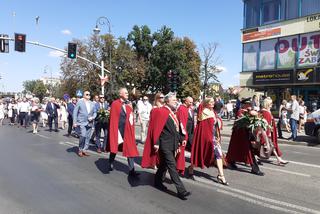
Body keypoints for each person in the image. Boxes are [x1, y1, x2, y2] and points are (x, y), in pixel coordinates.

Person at [142, 93, 191, 200]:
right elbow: (156, 129)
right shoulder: (161, 111)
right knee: (172, 166)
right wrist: (156, 143)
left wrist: (181, 140)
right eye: (174, 100)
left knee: (163, 166)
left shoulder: (172, 113)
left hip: (172, 144)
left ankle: (157, 182)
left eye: (176, 100)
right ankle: (181, 191)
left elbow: (177, 129)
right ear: (167, 101)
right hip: (165, 145)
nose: (176, 101)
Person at [187, 97, 228, 185]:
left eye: (213, 102)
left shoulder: (212, 111)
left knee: (219, 155)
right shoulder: (205, 112)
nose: (213, 103)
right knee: (201, 155)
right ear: (206, 103)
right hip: (208, 138)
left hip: (213, 137)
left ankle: (221, 175)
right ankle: (191, 168)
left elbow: (214, 126)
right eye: (211, 102)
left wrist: (217, 136)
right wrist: (211, 138)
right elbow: (204, 129)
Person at [226, 98, 264, 176]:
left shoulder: (248, 111)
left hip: (245, 134)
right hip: (239, 134)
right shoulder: (240, 111)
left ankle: (231, 161)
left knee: (246, 150)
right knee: (239, 149)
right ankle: (254, 169)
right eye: (247, 104)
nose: (249, 106)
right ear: (244, 104)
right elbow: (243, 121)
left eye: (249, 104)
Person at [107, 88, 140, 177]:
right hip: (118, 131)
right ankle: (110, 162)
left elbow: (130, 118)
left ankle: (132, 170)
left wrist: (131, 108)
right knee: (114, 149)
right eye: (125, 93)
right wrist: (114, 131)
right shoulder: (115, 103)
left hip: (127, 131)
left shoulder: (128, 104)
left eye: (127, 93)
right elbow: (113, 119)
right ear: (120, 94)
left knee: (130, 150)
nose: (127, 94)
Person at [259, 98, 288, 165]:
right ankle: (279, 159)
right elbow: (266, 124)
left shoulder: (264, 111)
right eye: (271, 103)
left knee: (272, 146)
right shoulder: (266, 112)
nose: (272, 105)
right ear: (268, 104)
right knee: (271, 146)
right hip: (267, 132)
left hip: (267, 132)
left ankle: (279, 159)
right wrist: (268, 133)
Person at [73, 91, 96, 157]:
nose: (88, 95)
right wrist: (75, 122)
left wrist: (93, 117)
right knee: (83, 135)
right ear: (83, 95)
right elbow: (75, 112)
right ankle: (80, 149)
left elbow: (95, 112)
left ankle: (85, 150)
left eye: (89, 94)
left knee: (88, 137)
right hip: (81, 122)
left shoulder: (92, 103)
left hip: (90, 122)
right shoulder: (80, 102)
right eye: (87, 94)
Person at [175, 96, 194, 174]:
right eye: (190, 102)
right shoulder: (182, 109)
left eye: (192, 102)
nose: (191, 103)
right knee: (181, 150)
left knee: (194, 149)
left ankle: (191, 167)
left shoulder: (190, 109)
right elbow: (182, 124)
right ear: (185, 101)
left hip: (190, 133)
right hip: (184, 134)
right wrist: (184, 137)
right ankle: (178, 168)